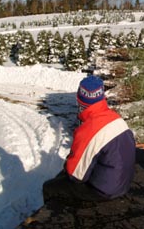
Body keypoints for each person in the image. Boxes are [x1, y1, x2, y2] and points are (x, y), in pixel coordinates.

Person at [42, 75, 136, 204]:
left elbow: (76, 175)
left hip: (105, 190)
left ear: (79, 100)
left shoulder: (89, 129)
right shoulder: (115, 118)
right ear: (102, 97)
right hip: (123, 181)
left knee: (50, 188)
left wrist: (69, 163)